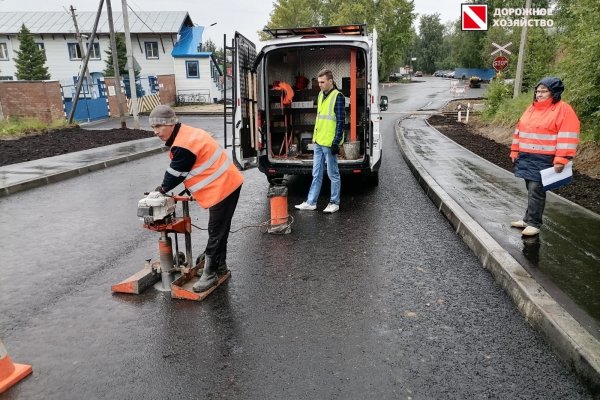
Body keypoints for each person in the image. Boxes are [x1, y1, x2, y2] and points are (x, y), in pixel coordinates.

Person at [149, 105, 244, 292]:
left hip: (223, 187)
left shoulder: (184, 144)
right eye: (153, 128)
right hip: (226, 183)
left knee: (216, 232)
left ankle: (210, 274)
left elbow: (175, 173)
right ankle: (220, 266)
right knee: (220, 230)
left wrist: (161, 190)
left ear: (170, 124)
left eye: (159, 126)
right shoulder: (186, 134)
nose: (156, 132)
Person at [510, 77, 580, 236]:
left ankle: (534, 223)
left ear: (553, 92)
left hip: (545, 158)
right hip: (527, 156)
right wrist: (515, 151)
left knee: (536, 189)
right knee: (530, 188)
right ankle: (528, 219)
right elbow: (519, 130)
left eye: (543, 91)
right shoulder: (531, 108)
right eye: (538, 90)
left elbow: (568, 137)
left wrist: (562, 158)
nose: (539, 94)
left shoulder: (564, 110)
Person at [295, 69, 345, 213]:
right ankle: (311, 202)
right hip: (318, 141)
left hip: (330, 143)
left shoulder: (338, 96)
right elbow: (320, 118)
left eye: (323, 82)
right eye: (319, 82)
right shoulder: (321, 94)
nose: (320, 85)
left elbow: (341, 121)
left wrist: (336, 142)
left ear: (331, 81)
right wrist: (315, 138)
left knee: (333, 174)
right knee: (316, 173)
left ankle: (334, 202)